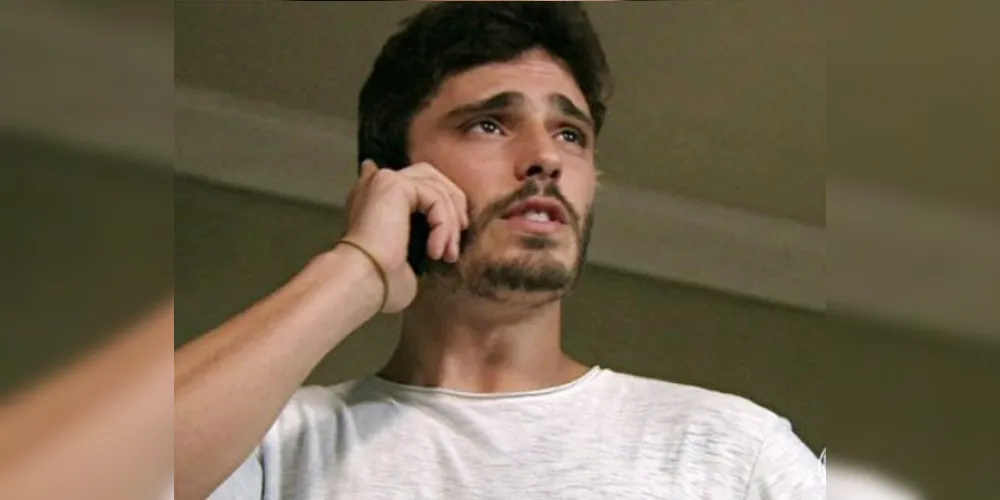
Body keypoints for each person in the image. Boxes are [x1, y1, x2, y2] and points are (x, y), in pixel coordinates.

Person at [174, 3, 824, 499]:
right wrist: (357, 267)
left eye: (570, 134)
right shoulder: (278, 447)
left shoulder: (733, 453)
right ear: (395, 178)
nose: (545, 157)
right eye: (489, 124)